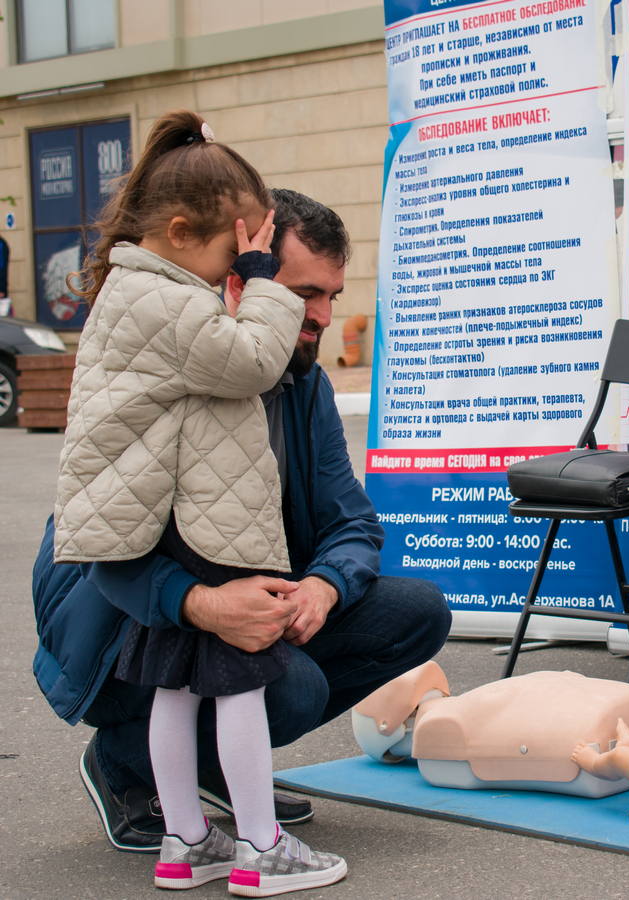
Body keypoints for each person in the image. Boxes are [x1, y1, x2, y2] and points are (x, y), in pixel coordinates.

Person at [31, 180, 450, 872]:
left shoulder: (301, 378)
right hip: (123, 614)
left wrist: (322, 587)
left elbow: (354, 522)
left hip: (240, 588)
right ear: (243, 281)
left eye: (331, 298)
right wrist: (202, 605)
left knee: (417, 613)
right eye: (302, 293)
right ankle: (122, 763)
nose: (317, 315)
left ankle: (216, 783)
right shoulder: (176, 359)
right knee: (286, 689)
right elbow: (103, 547)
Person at [52, 109, 353, 893]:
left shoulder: (137, 293)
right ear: (184, 233)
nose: (241, 272)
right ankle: (259, 845)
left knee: (178, 692)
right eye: (235, 252)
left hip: (172, 520)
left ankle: (187, 840)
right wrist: (259, 280)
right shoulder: (167, 299)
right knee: (242, 687)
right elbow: (255, 358)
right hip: (191, 534)